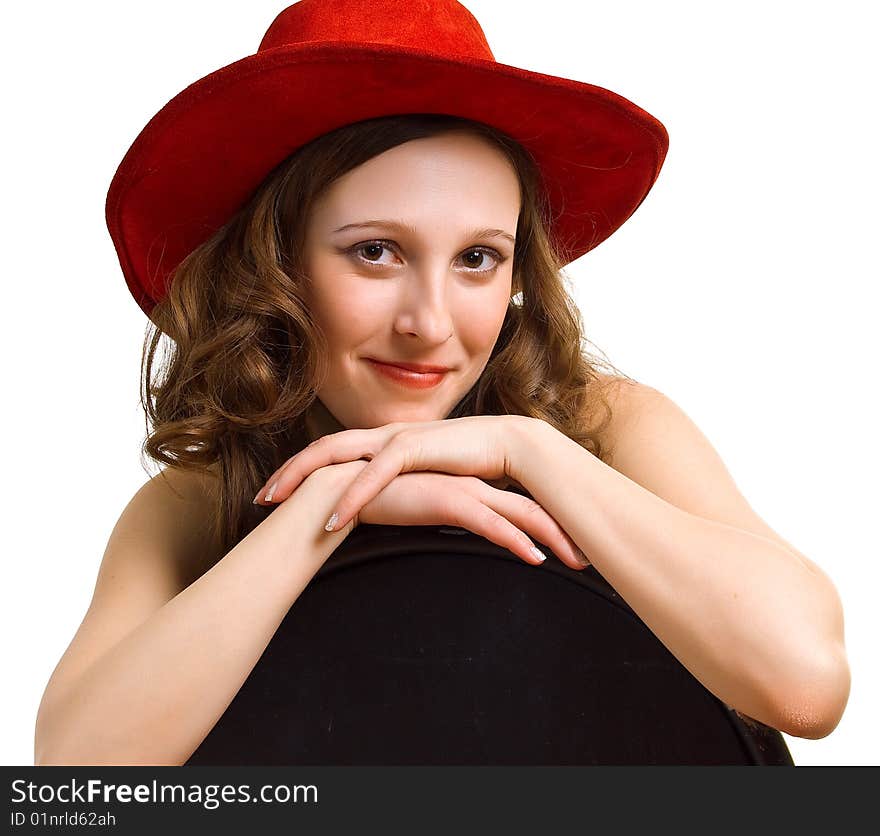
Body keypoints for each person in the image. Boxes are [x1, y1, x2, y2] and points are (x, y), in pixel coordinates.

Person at [33, 0, 850, 766]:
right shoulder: (197, 499)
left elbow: (808, 686)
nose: (429, 322)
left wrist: (525, 448)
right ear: (274, 266)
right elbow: (75, 776)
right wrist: (329, 502)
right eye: (375, 251)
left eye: (477, 258)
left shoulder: (606, 425)